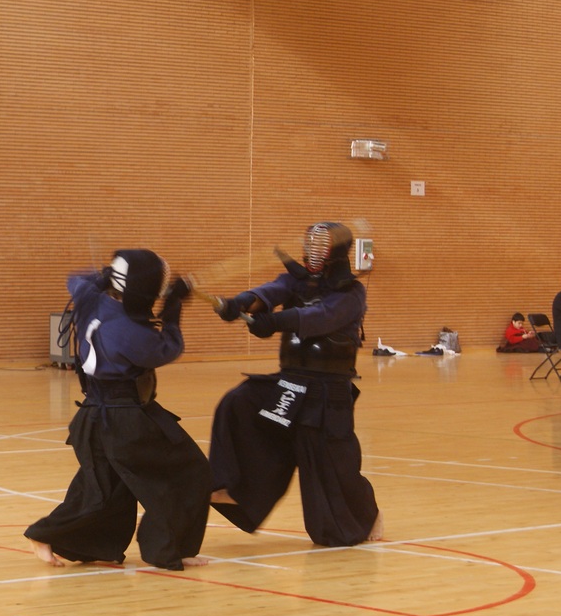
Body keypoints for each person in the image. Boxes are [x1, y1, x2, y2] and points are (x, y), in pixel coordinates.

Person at [24, 250, 212, 571]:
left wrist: (107, 277)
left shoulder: (91, 299)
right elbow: (168, 348)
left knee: (106, 490)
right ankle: (169, 550)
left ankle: (46, 535)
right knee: (189, 473)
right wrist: (173, 307)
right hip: (125, 420)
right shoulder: (127, 330)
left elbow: (78, 280)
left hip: (97, 417)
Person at [208, 222, 383, 546]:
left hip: (328, 391)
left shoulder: (352, 294)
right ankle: (229, 487)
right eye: (310, 244)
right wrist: (241, 303)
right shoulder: (294, 281)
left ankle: (367, 514)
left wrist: (272, 321)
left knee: (331, 464)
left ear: (336, 252)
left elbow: (319, 317)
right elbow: (268, 293)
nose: (312, 252)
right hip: (290, 383)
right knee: (240, 404)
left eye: (321, 246)